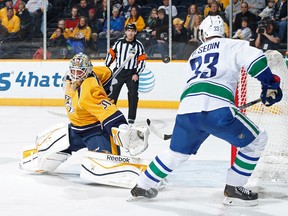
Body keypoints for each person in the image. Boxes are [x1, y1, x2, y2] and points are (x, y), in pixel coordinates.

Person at [130, 15, 283, 206]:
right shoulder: (231, 44)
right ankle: (234, 186)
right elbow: (256, 60)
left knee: (176, 153)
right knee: (257, 140)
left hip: (187, 112)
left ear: (203, 34)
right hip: (217, 109)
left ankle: (142, 185)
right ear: (223, 31)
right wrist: (270, 84)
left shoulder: (194, 54)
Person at [20, 53, 150, 188]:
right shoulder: (72, 77)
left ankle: (144, 175)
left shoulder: (88, 90)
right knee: (44, 154)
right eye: (73, 70)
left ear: (87, 71)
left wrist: (121, 126)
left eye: (80, 71)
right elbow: (107, 72)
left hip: (96, 132)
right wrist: (106, 85)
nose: (76, 74)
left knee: (103, 167)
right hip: (76, 129)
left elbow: (107, 111)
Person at [105, 23, 146, 124]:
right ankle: (110, 115)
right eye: (129, 31)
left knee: (133, 95)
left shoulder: (139, 45)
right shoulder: (118, 43)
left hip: (132, 73)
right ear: (125, 32)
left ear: (135, 32)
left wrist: (137, 73)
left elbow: (142, 61)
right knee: (112, 94)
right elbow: (111, 54)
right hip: (118, 72)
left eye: (132, 31)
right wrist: (106, 67)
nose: (130, 33)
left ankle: (131, 118)